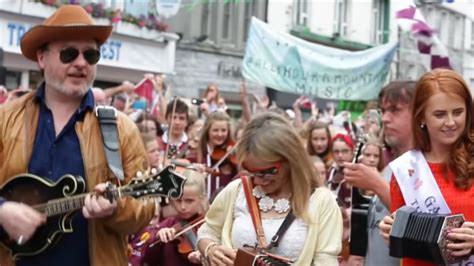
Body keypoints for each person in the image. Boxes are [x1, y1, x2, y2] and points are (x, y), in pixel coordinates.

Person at [0, 5, 155, 266]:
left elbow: (145, 207)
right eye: (69, 53)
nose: (81, 63)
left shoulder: (120, 128)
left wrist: (116, 208)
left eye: (91, 55)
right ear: (41, 58)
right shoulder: (6, 119)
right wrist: (2, 211)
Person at [197, 112, 342, 265]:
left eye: (267, 172)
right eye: (251, 171)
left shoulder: (322, 202)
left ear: (291, 159)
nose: (258, 180)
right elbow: (208, 230)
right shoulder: (237, 191)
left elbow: (326, 261)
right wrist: (210, 249)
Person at [379, 69, 474, 265]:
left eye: (458, 112)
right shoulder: (406, 169)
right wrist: (390, 230)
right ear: (421, 117)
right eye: (440, 114)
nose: (450, 122)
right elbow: (401, 240)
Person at [343, 81, 415, 266]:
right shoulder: (391, 167)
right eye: (383, 111)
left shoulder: (429, 167)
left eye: (395, 110)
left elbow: (421, 226)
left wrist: (376, 185)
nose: (385, 119)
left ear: (419, 114)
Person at [129, 170, 208, 266]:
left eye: (189, 201)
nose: (182, 207)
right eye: (178, 200)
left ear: (202, 198)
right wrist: (157, 237)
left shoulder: (209, 226)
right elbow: (147, 259)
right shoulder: (169, 224)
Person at [194, 111, 238, 197]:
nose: (220, 134)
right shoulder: (199, 152)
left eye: (223, 130)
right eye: (215, 130)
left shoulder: (232, 152)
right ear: (207, 131)